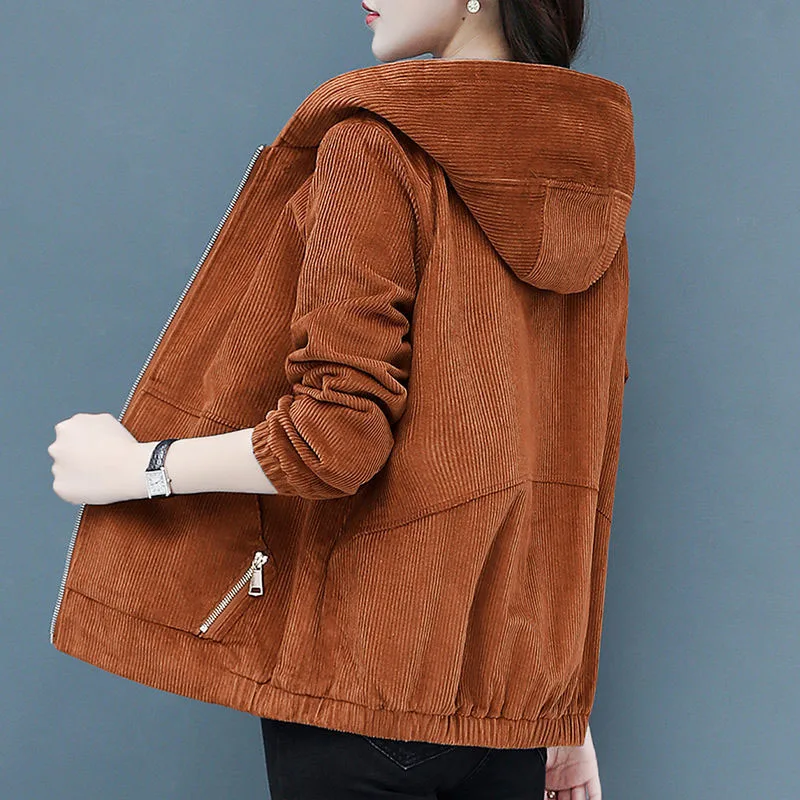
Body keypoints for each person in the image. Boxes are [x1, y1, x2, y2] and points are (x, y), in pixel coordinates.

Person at [48, 1, 635, 798]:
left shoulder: (377, 144)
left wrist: (137, 468)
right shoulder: (584, 179)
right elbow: (564, 468)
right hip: (508, 711)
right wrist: (555, 713)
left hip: (364, 692)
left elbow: (335, 437)